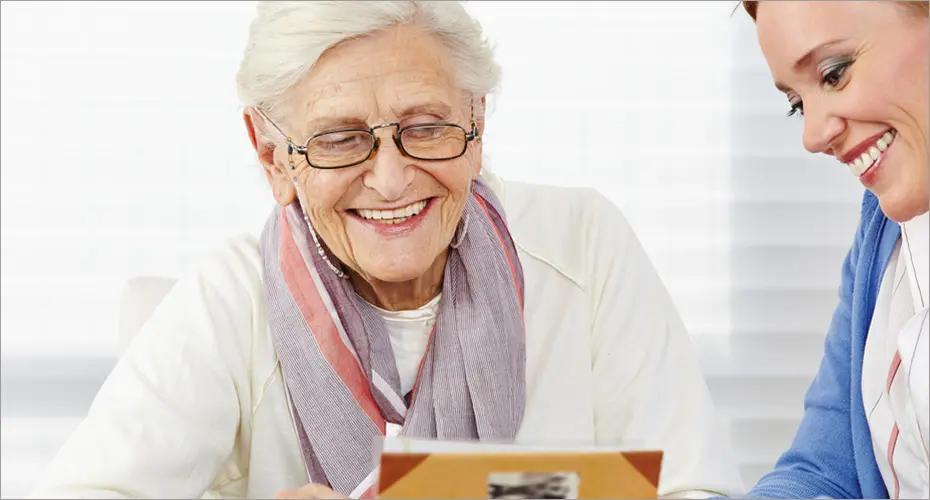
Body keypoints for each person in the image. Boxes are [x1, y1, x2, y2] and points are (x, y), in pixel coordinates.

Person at [29, 2, 743, 499]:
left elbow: (695, 487)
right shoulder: (231, 298)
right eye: (340, 140)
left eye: (426, 127)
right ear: (273, 156)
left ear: (477, 122)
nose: (393, 179)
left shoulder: (582, 243)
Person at [741, 1, 929, 498]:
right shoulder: (881, 235)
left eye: (834, 73)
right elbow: (823, 470)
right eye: (797, 104)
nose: (812, 135)